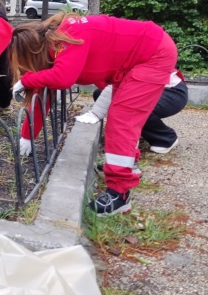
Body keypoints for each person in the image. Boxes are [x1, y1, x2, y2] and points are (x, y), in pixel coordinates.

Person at [9, 13, 177, 216]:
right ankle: (126, 166)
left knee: (122, 121)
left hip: (152, 54)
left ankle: (119, 195)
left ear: (32, 51)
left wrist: (27, 81)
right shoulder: (57, 43)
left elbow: (62, 79)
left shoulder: (68, 38)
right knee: (122, 119)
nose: (28, 70)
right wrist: (27, 136)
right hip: (141, 54)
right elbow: (44, 94)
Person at [77, 70, 188, 154]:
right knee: (100, 94)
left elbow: (119, 83)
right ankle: (136, 133)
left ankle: (165, 138)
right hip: (147, 87)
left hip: (171, 91)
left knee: (134, 106)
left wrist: (95, 114)